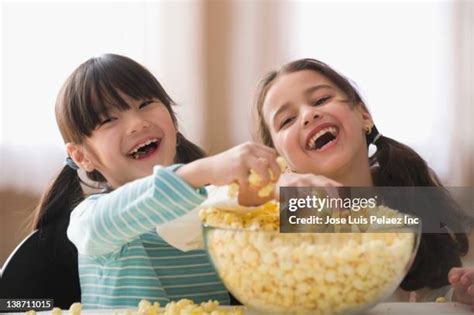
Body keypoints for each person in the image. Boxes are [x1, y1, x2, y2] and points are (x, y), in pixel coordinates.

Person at [37, 54, 280, 309]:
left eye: (145, 104)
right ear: (82, 156)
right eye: (108, 119)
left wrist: (303, 192)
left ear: (173, 120)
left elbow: (313, 222)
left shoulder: (214, 206)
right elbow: (101, 224)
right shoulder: (89, 218)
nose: (137, 123)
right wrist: (203, 171)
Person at [252, 58, 472, 305]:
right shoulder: (272, 214)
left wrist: (458, 295)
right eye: (287, 120)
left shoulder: (406, 195)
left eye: (321, 100)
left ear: (364, 116)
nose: (308, 115)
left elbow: (428, 295)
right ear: (280, 157)